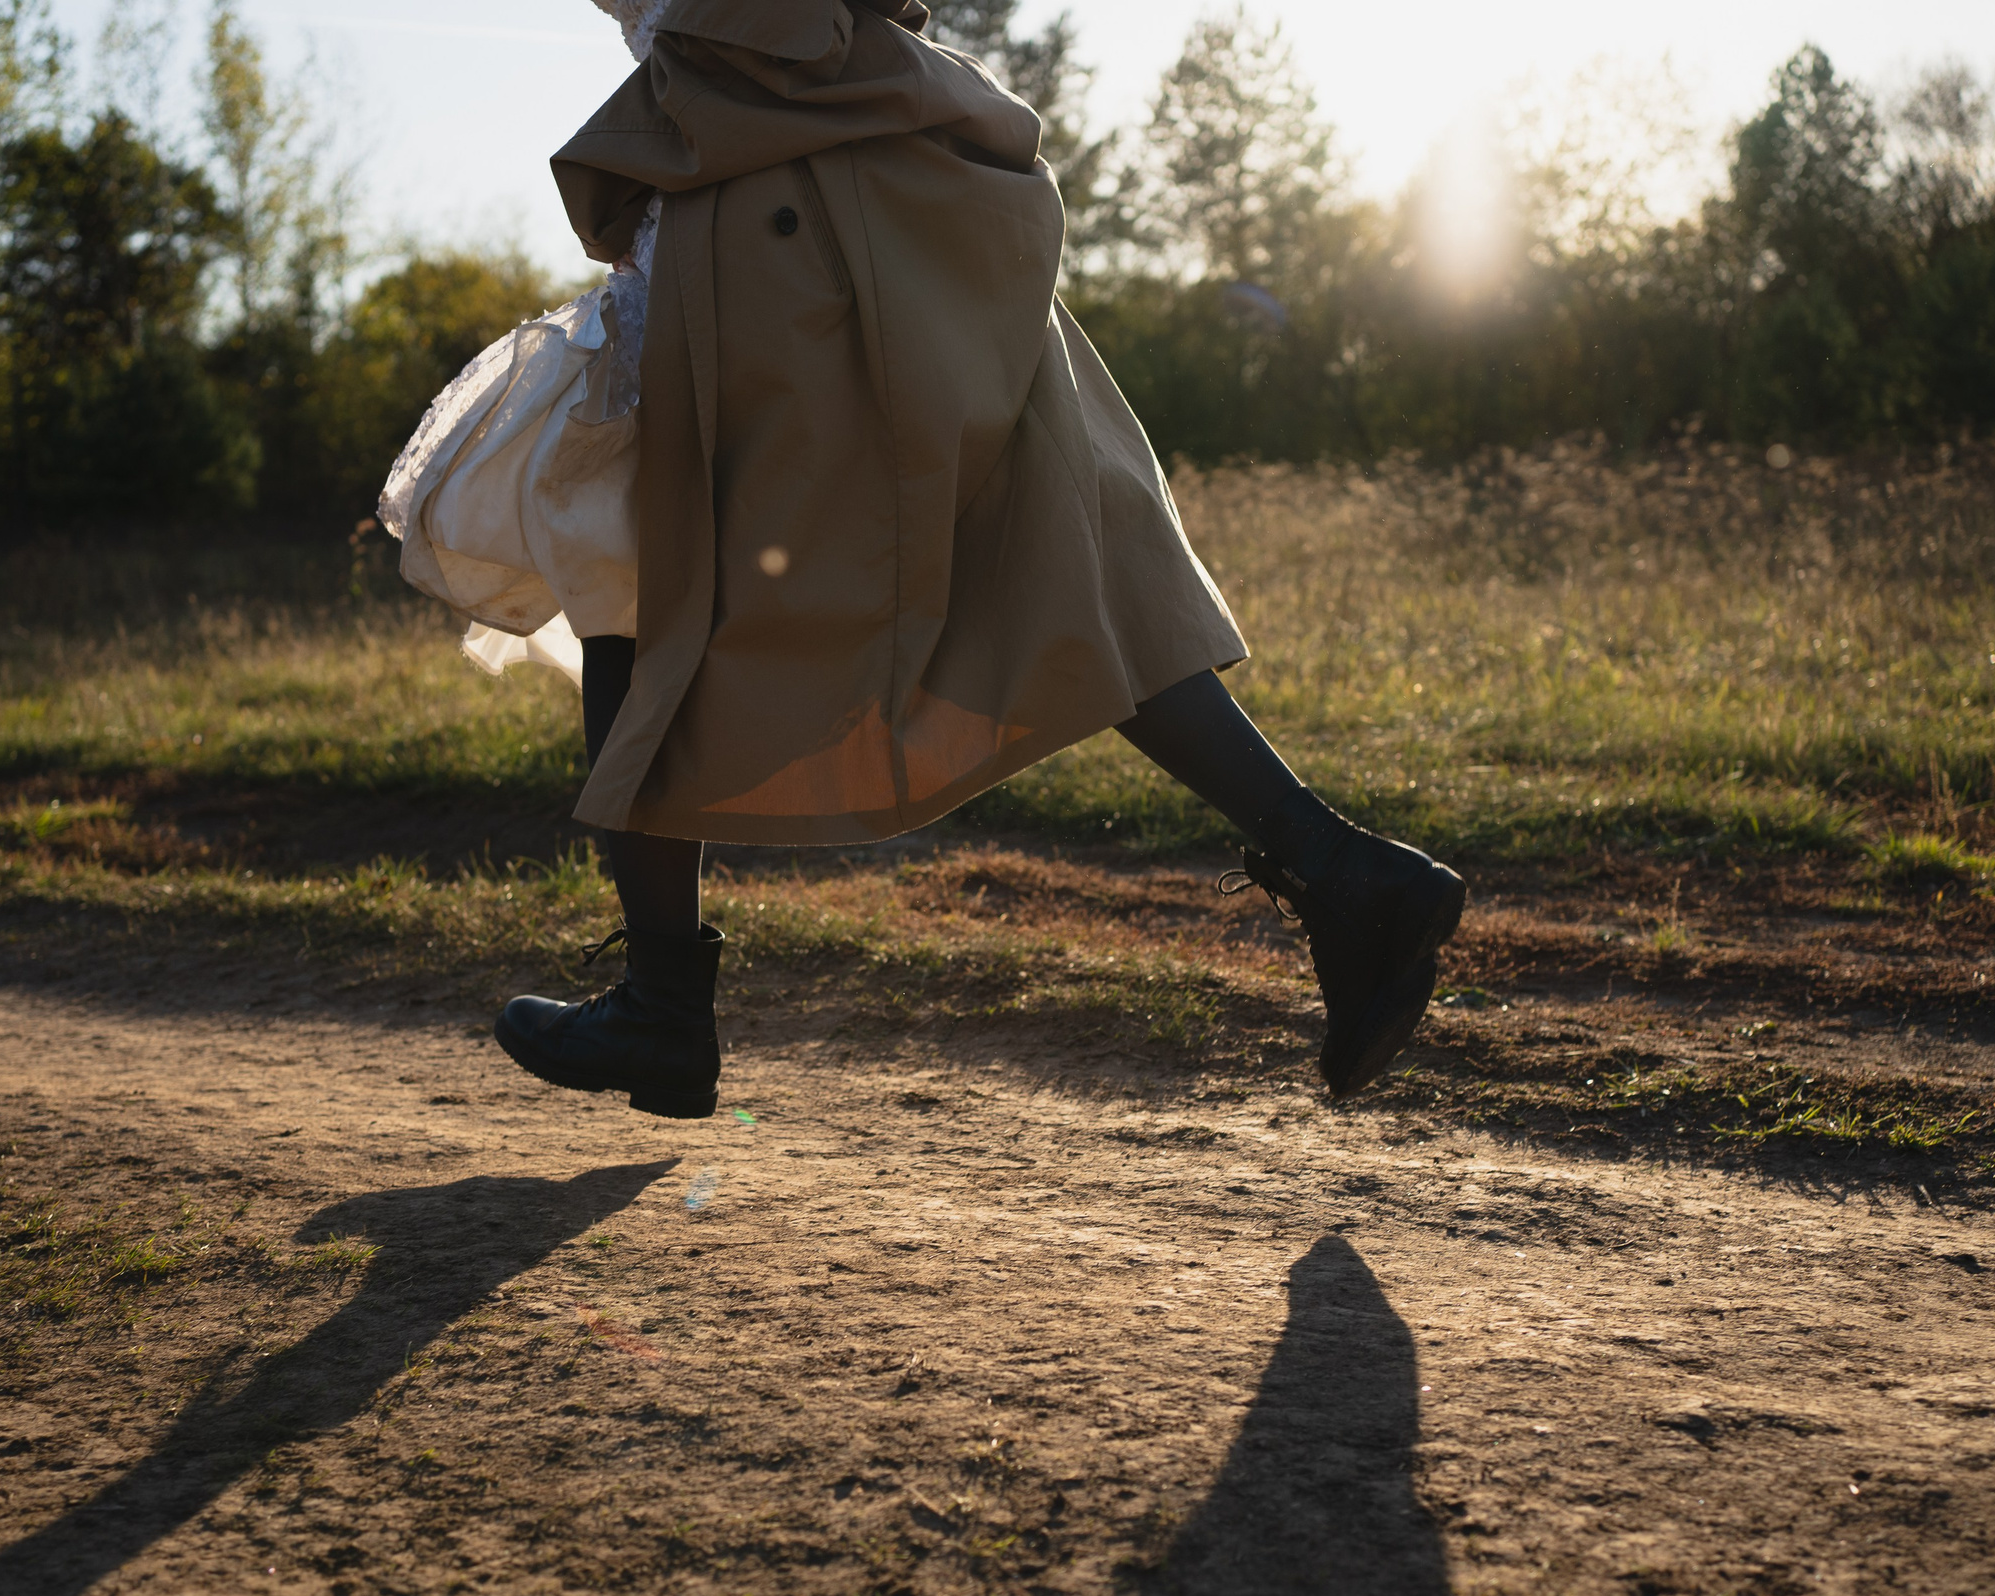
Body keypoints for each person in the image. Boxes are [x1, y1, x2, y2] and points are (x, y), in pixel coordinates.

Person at [494, 0, 1463, 1119]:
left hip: (787, 213)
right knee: (1056, 557)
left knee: (640, 586)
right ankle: (1341, 873)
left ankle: (662, 1007)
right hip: (910, 189)